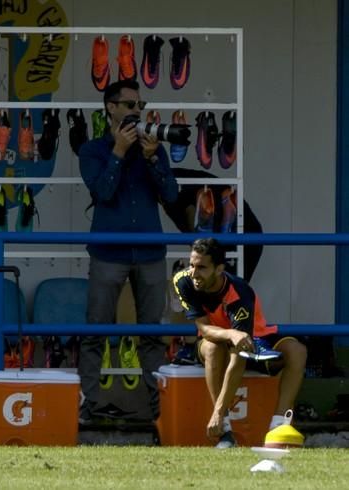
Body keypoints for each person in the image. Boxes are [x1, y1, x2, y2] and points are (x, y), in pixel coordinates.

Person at [78, 79, 178, 424]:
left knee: (152, 335)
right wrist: (119, 152)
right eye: (130, 105)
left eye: (141, 105)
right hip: (108, 251)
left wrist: (152, 159)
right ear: (111, 108)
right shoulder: (93, 150)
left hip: (150, 252)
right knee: (95, 332)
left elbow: (172, 195)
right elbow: (103, 193)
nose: (138, 112)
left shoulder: (153, 147)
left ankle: (161, 411)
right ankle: (88, 408)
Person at [173, 237, 307, 448]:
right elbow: (204, 328)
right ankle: (225, 430)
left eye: (201, 267)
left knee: (297, 351)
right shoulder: (183, 280)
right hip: (215, 340)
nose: (194, 272)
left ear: (219, 269)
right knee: (212, 347)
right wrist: (230, 334)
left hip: (256, 338)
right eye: (191, 265)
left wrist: (236, 337)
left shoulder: (240, 293)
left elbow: (239, 356)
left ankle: (278, 428)